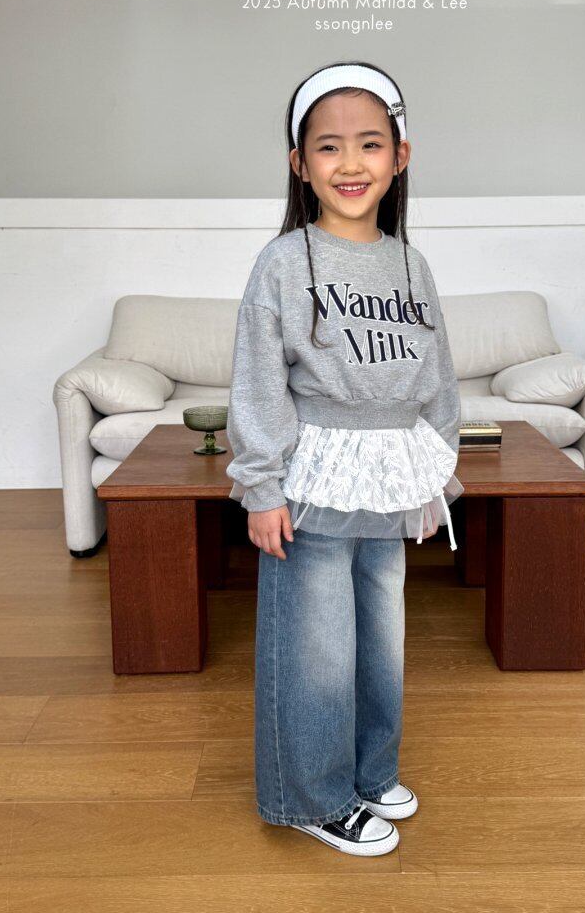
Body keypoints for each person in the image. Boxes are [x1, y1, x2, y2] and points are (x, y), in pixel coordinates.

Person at [225, 60, 462, 857]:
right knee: (316, 647)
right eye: (329, 147)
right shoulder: (284, 262)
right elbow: (260, 380)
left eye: (370, 143)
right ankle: (312, 797)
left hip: (390, 479)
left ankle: (368, 772)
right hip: (314, 479)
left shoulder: (411, 264)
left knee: (379, 642)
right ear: (300, 164)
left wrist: (437, 472)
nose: (350, 163)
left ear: (401, 156)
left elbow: (437, 377)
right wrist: (261, 486)